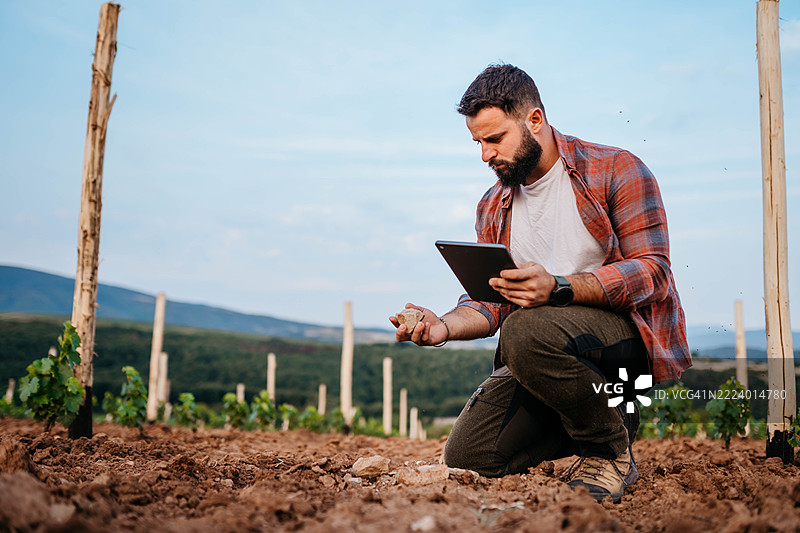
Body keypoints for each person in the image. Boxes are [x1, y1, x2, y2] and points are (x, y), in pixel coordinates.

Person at [389, 64, 691, 504]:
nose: (485, 155)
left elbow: (654, 272)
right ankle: (600, 417)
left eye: (494, 140)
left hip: (619, 345)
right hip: (541, 353)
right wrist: (444, 327)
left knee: (526, 330)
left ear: (535, 120)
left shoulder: (615, 169)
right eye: (477, 142)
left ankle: (608, 452)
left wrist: (559, 286)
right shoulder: (493, 205)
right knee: (470, 455)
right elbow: (490, 303)